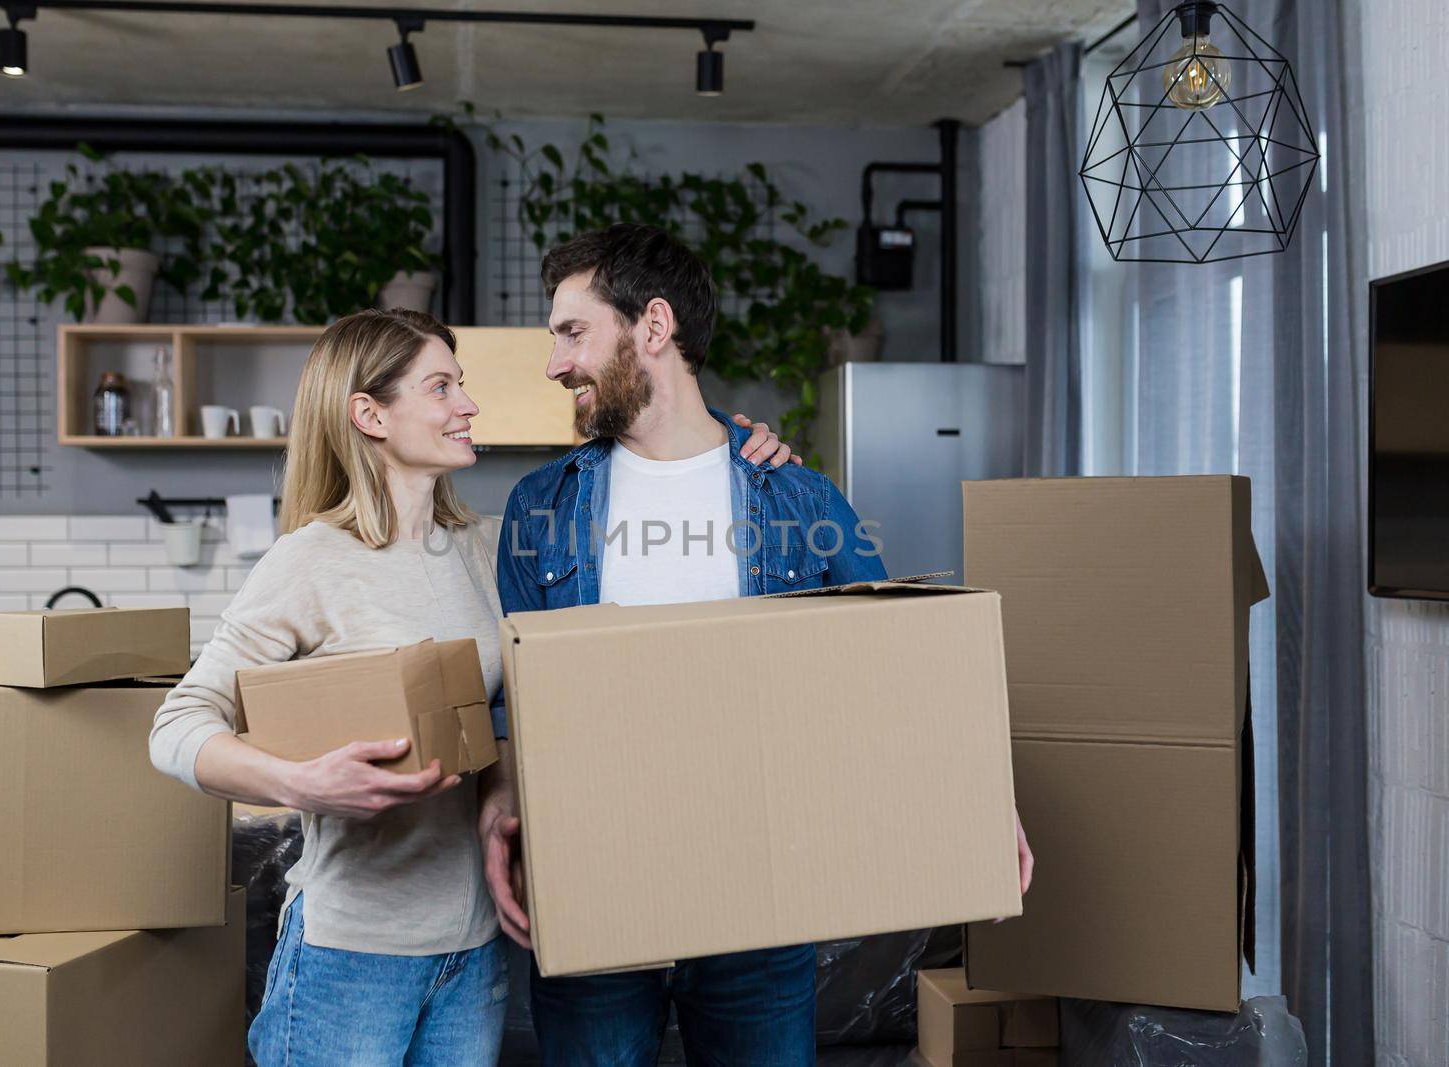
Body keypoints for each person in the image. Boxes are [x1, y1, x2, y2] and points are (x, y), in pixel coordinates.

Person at [148, 307, 796, 1067]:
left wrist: (736, 447)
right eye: (442, 387)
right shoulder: (311, 560)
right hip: (354, 954)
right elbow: (177, 725)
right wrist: (300, 782)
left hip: (476, 954)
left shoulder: (490, 547)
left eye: (462, 385)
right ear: (370, 414)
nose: (468, 405)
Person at [487, 224, 1036, 1066]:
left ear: (654, 326)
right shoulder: (539, 507)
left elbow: (899, 659)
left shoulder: (795, 496)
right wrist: (500, 800)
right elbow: (515, 700)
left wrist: (978, 800)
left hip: (757, 896)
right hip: (596, 880)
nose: (556, 363)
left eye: (573, 332)